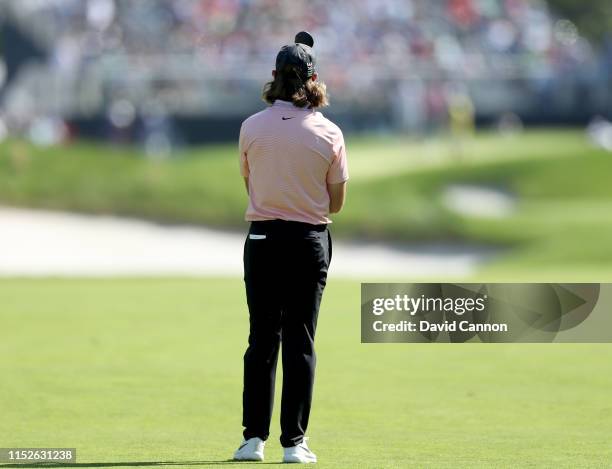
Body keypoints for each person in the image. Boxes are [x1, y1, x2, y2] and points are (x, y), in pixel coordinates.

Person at [233, 31, 348, 464]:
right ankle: (293, 444)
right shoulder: (329, 133)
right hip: (307, 242)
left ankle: (252, 441)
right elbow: (336, 201)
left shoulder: (250, 127)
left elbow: (251, 184)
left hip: (262, 239)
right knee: (300, 340)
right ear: (314, 79)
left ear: (274, 78)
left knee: (262, 338)